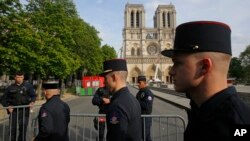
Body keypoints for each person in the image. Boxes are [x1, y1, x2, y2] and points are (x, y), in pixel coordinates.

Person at [161, 21, 250, 141]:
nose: (171, 71)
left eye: (178, 63)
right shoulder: (201, 110)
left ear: (204, 67)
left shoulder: (239, 125)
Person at [100, 59, 142, 141]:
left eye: (105, 78)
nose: (104, 82)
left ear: (113, 77)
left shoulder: (117, 105)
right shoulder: (133, 99)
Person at [1, 72, 36, 141]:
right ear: (15, 77)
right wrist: (7, 106)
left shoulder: (28, 86)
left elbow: (33, 96)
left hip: (24, 111)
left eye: (21, 77)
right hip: (13, 111)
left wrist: (32, 102)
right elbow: (2, 99)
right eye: (18, 77)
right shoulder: (10, 87)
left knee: (23, 128)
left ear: (23, 77)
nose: (19, 79)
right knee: (12, 129)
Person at [136, 75, 154, 141]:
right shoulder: (139, 92)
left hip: (145, 118)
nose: (138, 84)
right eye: (138, 82)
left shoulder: (148, 93)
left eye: (139, 83)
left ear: (144, 82)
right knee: (147, 137)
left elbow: (147, 107)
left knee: (144, 136)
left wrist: (137, 102)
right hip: (140, 117)